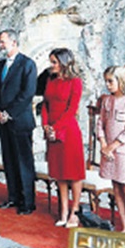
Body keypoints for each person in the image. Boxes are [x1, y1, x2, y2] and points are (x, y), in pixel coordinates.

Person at [0, 29, 37, 215]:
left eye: (3, 42)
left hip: (20, 120)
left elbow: (27, 94)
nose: (0, 45)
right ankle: (13, 197)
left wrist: (8, 113)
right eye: (0, 42)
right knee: (8, 159)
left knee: (23, 161)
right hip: (3, 121)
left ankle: (27, 202)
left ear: (14, 42)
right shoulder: (0, 64)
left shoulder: (28, 64)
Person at [41, 48, 86, 228]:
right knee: (59, 173)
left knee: (73, 173)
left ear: (64, 62)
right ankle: (64, 211)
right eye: (50, 61)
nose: (51, 65)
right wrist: (45, 125)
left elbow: (72, 109)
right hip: (51, 131)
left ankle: (74, 212)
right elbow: (45, 104)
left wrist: (55, 127)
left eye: (54, 62)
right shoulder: (50, 80)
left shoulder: (75, 82)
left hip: (68, 131)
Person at [96, 66, 125, 234]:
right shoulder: (107, 100)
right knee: (116, 188)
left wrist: (112, 146)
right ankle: (123, 226)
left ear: (121, 80)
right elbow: (100, 124)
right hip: (108, 152)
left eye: (111, 81)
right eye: (106, 81)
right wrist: (103, 145)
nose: (108, 85)